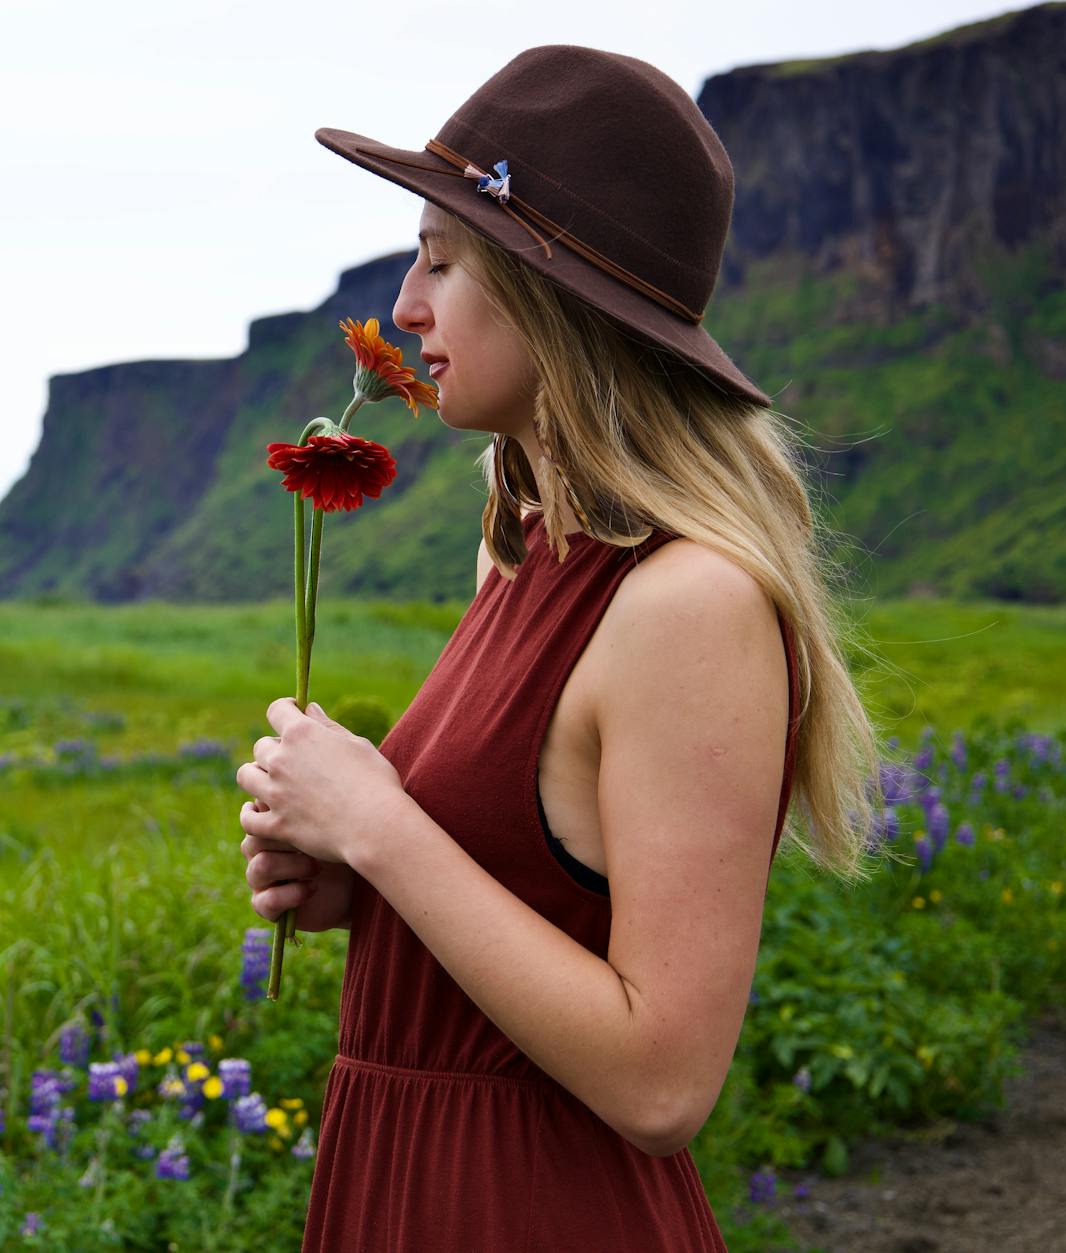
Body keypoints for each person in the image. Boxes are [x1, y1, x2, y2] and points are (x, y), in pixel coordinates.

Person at [233, 45, 885, 1250]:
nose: (403, 307)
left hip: (534, 1206)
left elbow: (660, 1079)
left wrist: (381, 826)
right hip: (406, 1185)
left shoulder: (689, 602)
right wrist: (358, 885)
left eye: (440, 258)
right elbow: (533, 886)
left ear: (551, 291)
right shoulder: (524, 552)